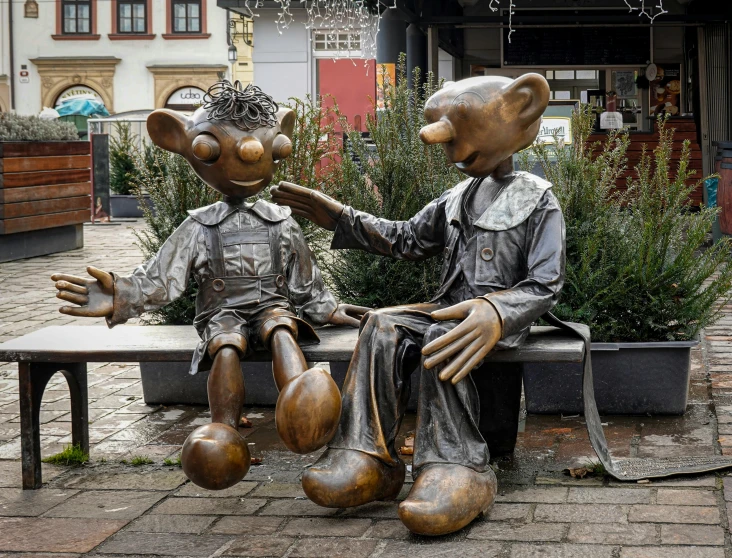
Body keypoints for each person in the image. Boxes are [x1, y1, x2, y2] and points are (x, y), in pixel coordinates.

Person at [271, 73, 565, 536]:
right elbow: (405, 238)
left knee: (437, 334)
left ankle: (458, 464)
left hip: (494, 320)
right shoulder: (456, 197)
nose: (450, 149)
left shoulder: (537, 200)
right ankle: (369, 456)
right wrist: (341, 216)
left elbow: (546, 283)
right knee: (382, 325)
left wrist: (496, 311)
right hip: (448, 307)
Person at [52, 81, 368, 490]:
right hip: (223, 314)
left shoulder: (281, 221)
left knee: (282, 328)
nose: (250, 157)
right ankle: (222, 429)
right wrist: (121, 294)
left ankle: (303, 407)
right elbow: (162, 278)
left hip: (272, 305)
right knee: (226, 344)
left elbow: (305, 281)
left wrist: (328, 309)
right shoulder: (199, 226)